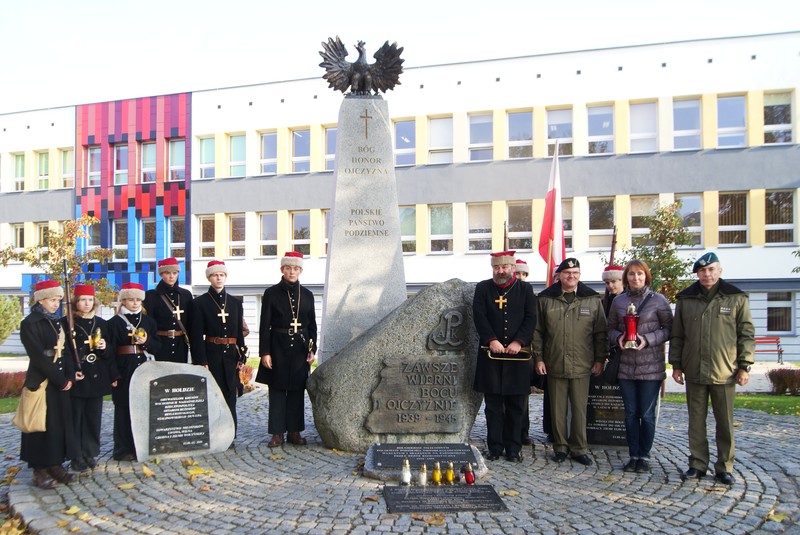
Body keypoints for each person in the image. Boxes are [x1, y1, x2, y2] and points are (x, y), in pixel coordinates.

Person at [669, 252, 755, 485]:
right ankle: (697, 464)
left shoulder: (735, 298)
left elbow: (746, 334)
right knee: (696, 421)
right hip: (694, 369)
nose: (707, 274)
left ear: (720, 271)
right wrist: (676, 365)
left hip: (724, 370)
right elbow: (678, 335)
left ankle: (724, 467)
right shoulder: (686, 299)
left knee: (724, 422)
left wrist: (745, 366)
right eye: (702, 271)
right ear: (697, 273)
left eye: (711, 270)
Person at [533, 258, 606, 466]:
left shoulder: (591, 299)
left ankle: (579, 448)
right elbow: (537, 332)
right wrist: (538, 358)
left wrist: (600, 359)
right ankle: (560, 447)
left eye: (575, 272)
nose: (571, 276)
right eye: (567, 273)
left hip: (582, 363)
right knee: (557, 410)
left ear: (579, 275)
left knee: (580, 409)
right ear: (559, 276)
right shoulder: (546, 299)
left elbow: (601, 332)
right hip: (554, 362)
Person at [607, 260, 673, 473]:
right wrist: (619, 338)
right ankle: (633, 454)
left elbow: (669, 329)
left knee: (646, 414)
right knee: (630, 413)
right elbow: (610, 329)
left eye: (640, 274)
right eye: (632, 274)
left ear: (646, 276)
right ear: (626, 277)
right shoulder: (618, 301)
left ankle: (644, 455)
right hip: (626, 366)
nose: (636, 278)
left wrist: (648, 339)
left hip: (650, 367)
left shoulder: (658, 301)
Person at [472, 250, 537, 462]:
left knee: (516, 406)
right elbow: (479, 315)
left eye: (505, 267)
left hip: (517, 358)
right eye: (497, 267)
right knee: (492, 407)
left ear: (513, 268)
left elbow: (531, 318)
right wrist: (491, 339)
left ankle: (513, 448)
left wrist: (518, 341)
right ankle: (495, 447)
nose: (501, 271)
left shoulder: (525, 289)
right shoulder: (483, 288)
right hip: (491, 356)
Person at [19, 280, 78, 489]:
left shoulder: (58, 322)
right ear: (41, 300)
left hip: (60, 380)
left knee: (58, 424)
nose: (56, 304)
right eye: (53, 300)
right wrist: (59, 379)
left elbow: (68, 350)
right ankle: (39, 470)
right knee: (40, 424)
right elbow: (38, 357)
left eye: (58, 300)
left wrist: (69, 376)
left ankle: (55, 464)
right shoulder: (30, 323)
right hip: (43, 380)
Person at [256, 251, 318, 447]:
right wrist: (265, 352)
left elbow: (312, 325)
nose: (292, 272)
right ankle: (276, 433)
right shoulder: (271, 293)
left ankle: (294, 432)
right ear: (282, 269)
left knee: (296, 391)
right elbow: (264, 325)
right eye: (288, 268)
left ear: (301, 270)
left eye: (296, 268)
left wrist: (312, 348)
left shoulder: (307, 295)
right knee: (277, 391)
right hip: (277, 347)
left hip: (300, 348)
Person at [64, 284, 118, 471]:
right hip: (79, 376)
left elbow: (111, 352)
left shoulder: (102, 323)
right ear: (75, 302)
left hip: (97, 375)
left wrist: (105, 348)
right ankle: (76, 455)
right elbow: (64, 352)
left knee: (93, 417)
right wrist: (71, 373)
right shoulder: (67, 323)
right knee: (76, 417)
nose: (86, 304)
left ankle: (90, 452)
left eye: (89, 300)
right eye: (82, 300)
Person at [190, 260, 246, 431]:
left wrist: (241, 355)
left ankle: (230, 432)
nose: (219, 278)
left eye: (222, 275)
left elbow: (238, 331)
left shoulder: (235, 303)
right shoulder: (199, 303)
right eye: (215, 275)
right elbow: (196, 335)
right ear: (209, 278)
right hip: (211, 352)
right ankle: (214, 432)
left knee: (230, 393)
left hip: (230, 354)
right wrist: (201, 360)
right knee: (213, 393)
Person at [108, 282, 159, 461]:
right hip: (124, 367)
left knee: (143, 406)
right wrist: (114, 373)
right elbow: (109, 352)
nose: (135, 303)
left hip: (143, 367)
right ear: (123, 301)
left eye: (138, 299)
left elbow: (157, 347)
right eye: (131, 299)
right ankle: (122, 449)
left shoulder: (148, 321)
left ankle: (141, 446)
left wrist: (146, 341)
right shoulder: (114, 323)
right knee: (123, 409)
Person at [143, 257, 193, 363]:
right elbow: (149, 323)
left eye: (175, 273)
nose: (171, 276)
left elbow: (191, 322)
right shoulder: (151, 295)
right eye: (167, 273)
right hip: (161, 344)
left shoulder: (185, 295)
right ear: (161, 274)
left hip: (180, 344)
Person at [514, 259, 535, 447]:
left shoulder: (528, 294)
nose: (520, 277)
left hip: (524, 351)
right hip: (502, 351)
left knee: (522, 397)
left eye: (523, 274)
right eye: (517, 273)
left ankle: (523, 431)